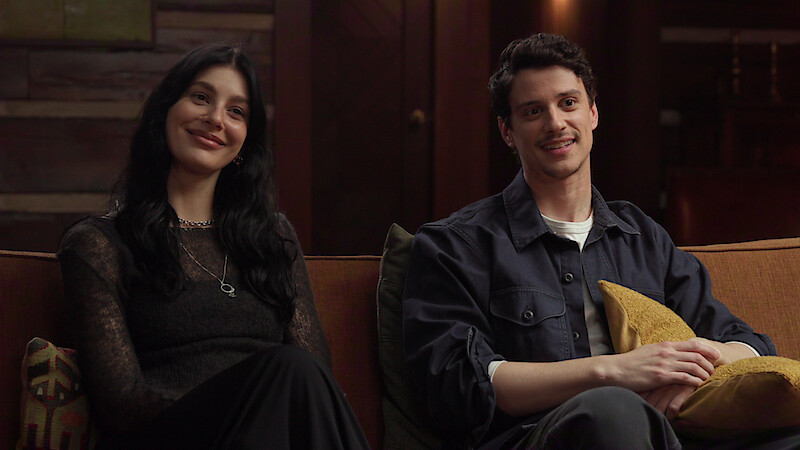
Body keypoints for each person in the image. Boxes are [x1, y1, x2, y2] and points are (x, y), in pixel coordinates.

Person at [402, 33, 800, 449]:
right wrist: (615, 371)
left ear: (592, 113)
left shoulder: (641, 236)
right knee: (614, 410)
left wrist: (688, 371)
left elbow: (747, 343)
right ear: (507, 131)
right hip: (539, 437)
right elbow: (455, 383)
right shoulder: (456, 245)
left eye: (568, 103)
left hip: (671, 431)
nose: (555, 122)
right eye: (533, 111)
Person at [58, 43, 369, 449]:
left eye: (236, 111)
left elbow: (316, 373)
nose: (215, 119)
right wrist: (240, 403)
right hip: (170, 437)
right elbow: (121, 405)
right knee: (290, 369)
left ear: (245, 140)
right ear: (166, 110)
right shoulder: (99, 244)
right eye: (201, 97)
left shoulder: (271, 236)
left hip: (275, 429)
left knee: (298, 373)